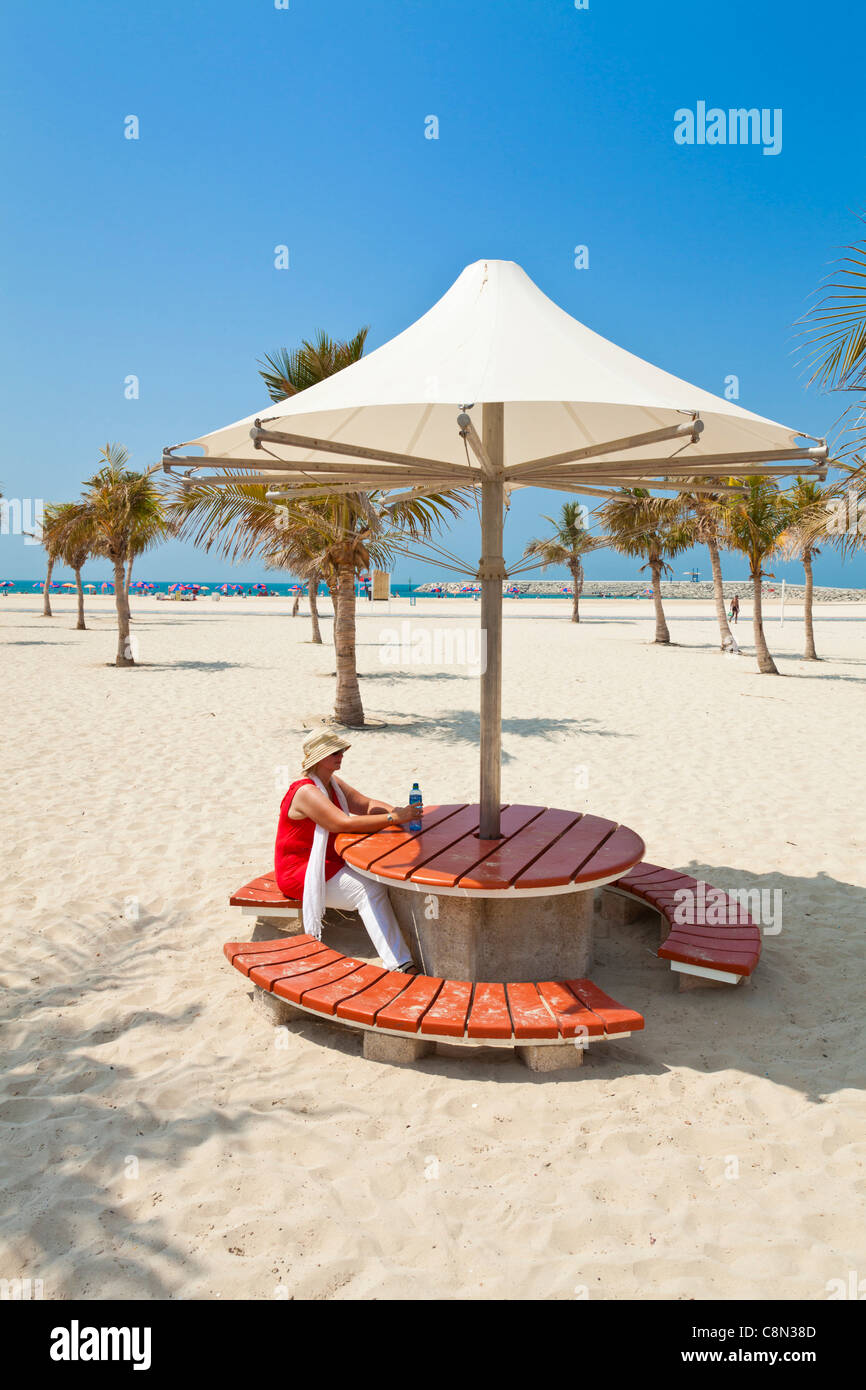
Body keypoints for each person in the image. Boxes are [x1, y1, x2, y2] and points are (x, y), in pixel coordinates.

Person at [275, 730, 418, 972]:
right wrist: (394, 818)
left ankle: (404, 945)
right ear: (318, 757)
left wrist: (399, 813)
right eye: (334, 752)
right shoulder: (306, 791)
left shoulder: (331, 782)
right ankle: (400, 964)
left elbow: (366, 805)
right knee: (369, 889)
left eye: (341, 751)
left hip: (329, 861)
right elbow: (341, 823)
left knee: (382, 878)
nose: (341, 755)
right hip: (301, 871)